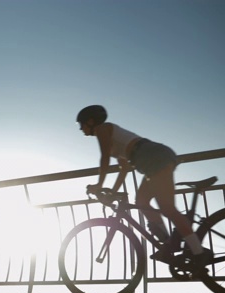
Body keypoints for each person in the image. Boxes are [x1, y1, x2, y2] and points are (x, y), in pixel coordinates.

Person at [75, 104, 211, 269]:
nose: (81, 128)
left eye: (81, 124)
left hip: (152, 157)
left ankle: (199, 253)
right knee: (141, 201)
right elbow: (124, 168)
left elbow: (104, 158)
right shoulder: (111, 138)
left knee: (167, 208)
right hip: (150, 159)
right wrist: (113, 191)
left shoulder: (103, 129)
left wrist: (99, 185)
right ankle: (168, 243)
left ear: (90, 121)